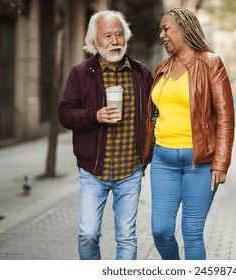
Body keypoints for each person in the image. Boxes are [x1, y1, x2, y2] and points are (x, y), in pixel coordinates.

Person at [58, 10, 153, 260]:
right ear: (94, 42)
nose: (115, 41)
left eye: (119, 35)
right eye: (107, 36)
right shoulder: (80, 74)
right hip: (93, 172)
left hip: (130, 171)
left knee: (127, 237)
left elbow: (154, 115)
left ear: (126, 38)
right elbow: (65, 114)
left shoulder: (141, 73)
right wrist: (95, 116)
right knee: (88, 234)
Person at [143, 7, 235, 260]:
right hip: (163, 159)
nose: (161, 34)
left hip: (201, 161)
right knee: (160, 231)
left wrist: (221, 163)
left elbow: (226, 115)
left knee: (192, 231)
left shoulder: (210, 63)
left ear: (184, 29)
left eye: (166, 29)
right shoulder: (162, 66)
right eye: (160, 29)